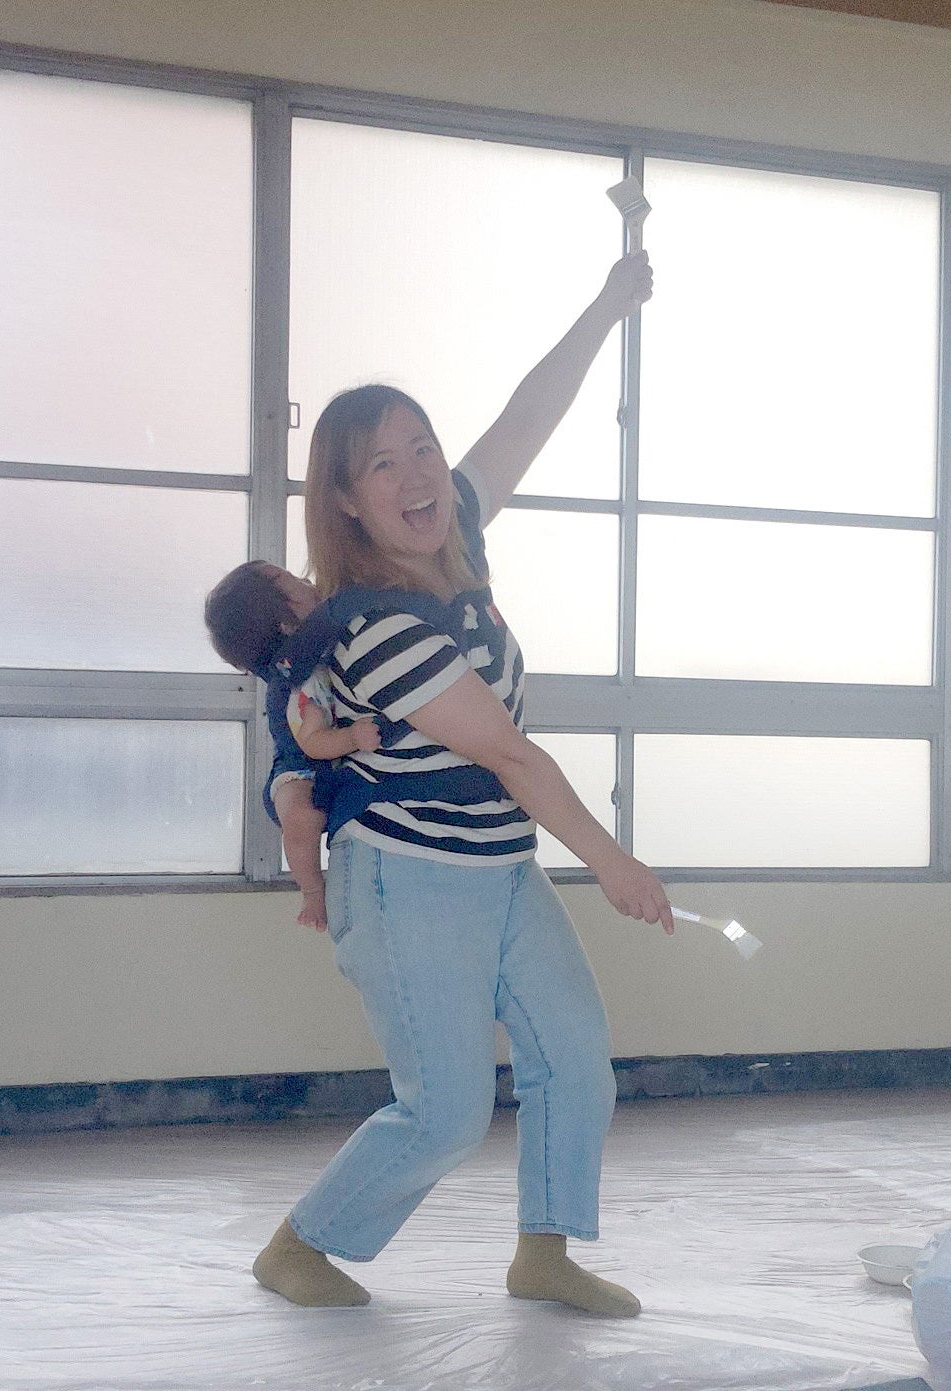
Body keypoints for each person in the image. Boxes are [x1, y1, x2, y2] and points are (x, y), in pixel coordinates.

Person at [251, 252, 673, 1315]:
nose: (416, 476)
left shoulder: (456, 541)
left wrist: (606, 307)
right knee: (443, 1111)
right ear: (346, 502)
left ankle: (544, 1250)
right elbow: (511, 755)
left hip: (499, 865)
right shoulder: (372, 623)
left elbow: (529, 415)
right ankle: (299, 1245)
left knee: (572, 1056)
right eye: (380, 465)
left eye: (423, 449)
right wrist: (613, 862)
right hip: (408, 878)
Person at [205, 560, 384, 929]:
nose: (308, 582)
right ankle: (312, 891)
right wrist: (352, 737)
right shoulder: (296, 682)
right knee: (300, 818)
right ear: (285, 623)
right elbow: (313, 743)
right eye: (292, 581)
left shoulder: (319, 638)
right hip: (300, 767)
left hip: (339, 762)